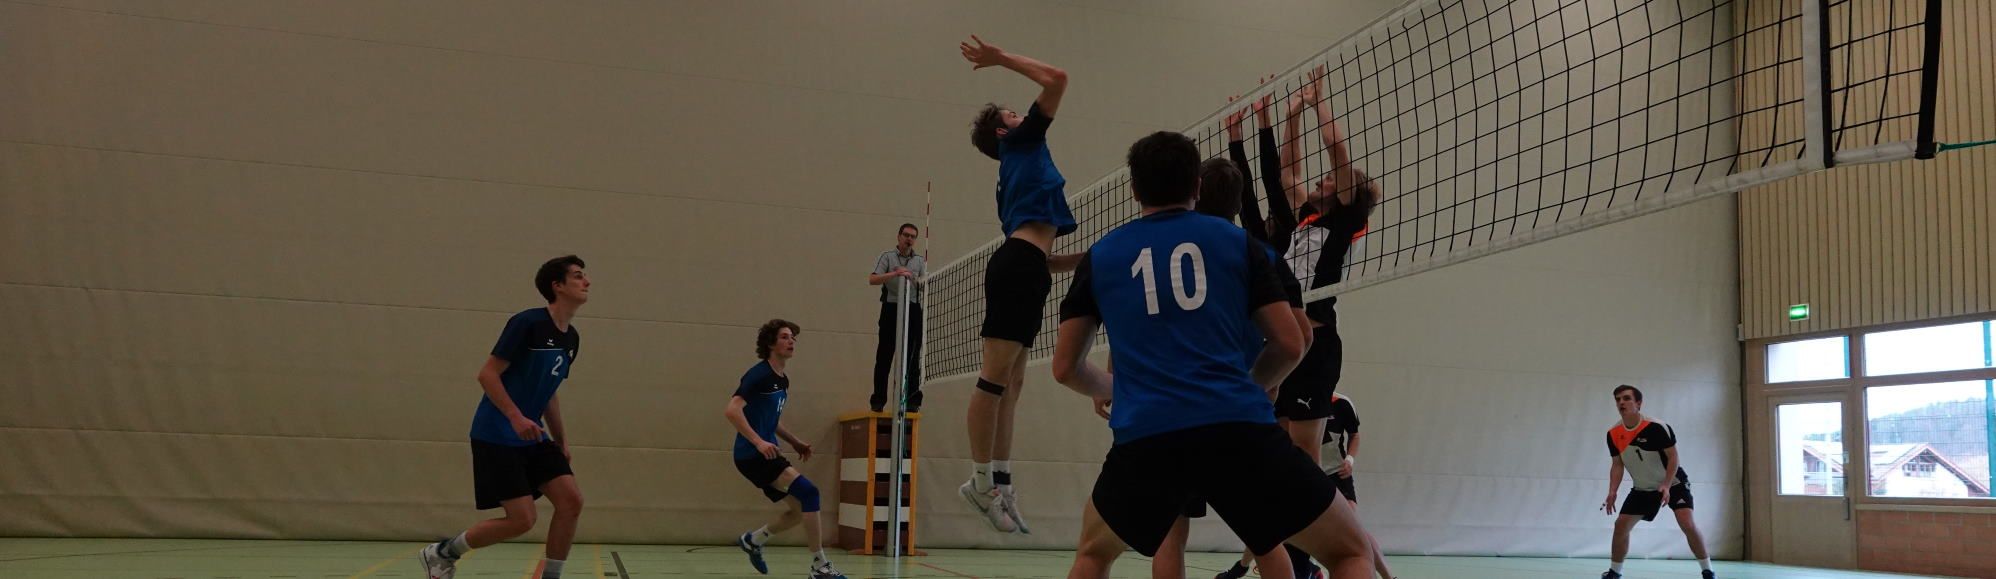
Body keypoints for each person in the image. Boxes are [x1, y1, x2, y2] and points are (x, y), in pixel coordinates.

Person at [1050, 131, 1375, 579]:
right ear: (1196, 187)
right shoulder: (1244, 246)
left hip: (1148, 433)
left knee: (1093, 554)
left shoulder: (1102, 255)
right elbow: (1292, 343)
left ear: (1134, 190)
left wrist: (1118, 387)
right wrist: (1251, 386)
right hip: (1238, 427)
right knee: (1350, 552)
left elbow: (1065, 368)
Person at [960, 34, 1085, 534]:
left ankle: (1002, 481)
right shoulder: (1023, 142)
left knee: (1012, 385)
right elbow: (1057, 79)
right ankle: (978, 481)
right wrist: (1000, 59)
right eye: (1012, 113)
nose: (1021, 113)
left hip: (1028, 267)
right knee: (994, 380)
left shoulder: (1014, 172)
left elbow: (1039, 257)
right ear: (1003, 131)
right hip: (1017, 268)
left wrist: (1089, 259)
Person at [418, 255, 590, 579]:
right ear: (557, 286)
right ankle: (444, 552)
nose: (587, 282)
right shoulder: (527, 323)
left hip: (533, 436)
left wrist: (561, 440)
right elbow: (487, 375)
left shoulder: (572, 338)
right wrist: (515, 417)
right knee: (522, 520)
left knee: (571, 501)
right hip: (497, 433)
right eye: (578, 276)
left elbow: (548, 391)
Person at [726, 320, 846, 579]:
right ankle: (820, 566)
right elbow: (732, 410)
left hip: (765, 453)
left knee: (799, 511)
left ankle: (753, 541)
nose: (791, 341)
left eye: (792, 337)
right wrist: (758, 442)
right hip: (752, 454)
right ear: (771, 343)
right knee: (810, 492)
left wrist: (794, 441)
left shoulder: (782, 380)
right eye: (784, 337)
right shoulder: (758, 375)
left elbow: (771, 419)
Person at [1601, 385, 1715, 579]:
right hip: (1643, 488)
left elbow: (1673, 457)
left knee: (1687, 523)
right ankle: (1615, 572)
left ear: (1638, 403)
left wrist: (1666, 484)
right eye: (1618, 399)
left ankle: (1708, 571)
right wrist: (1612, 491)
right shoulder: (1613, 433)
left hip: (1674, 484)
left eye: (1626, 398)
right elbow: (1617, 465)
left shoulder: (1656, 427)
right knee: (1621, 525)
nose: (1621, 402)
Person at [868, 223, 926, 412]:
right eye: (906, 235)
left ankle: (912, 401)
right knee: (884, 356)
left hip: (913, 309)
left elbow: (924, 285)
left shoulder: (919, 261)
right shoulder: (887, 256)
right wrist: (896, 273)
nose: (909, 239)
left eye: (913, 236)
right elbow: (872, 279)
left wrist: (912, 278)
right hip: (891, 308)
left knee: (912, 357)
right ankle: (878, 401)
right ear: (899, 236)